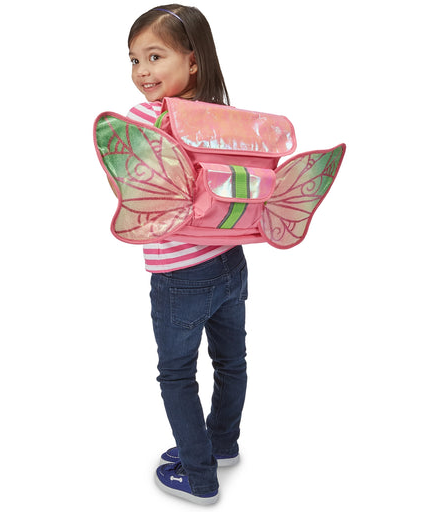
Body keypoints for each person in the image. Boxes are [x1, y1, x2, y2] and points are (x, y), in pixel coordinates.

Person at [125, 4, 248, 505]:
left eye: (155, 56)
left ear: (192, 60)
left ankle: (199, 478)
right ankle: (221, 445)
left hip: (179, 273)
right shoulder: (226, 118)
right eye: (134, 60)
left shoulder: (144, 119)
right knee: (231, 360)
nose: (142, 71)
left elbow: (133, 193)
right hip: (231, 261)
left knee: (177, 374)